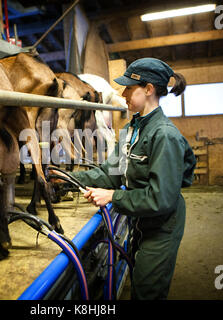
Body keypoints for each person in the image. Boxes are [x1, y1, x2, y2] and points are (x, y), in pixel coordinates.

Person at [53, 58, 196, 300]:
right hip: (140, 221)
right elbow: (111, 172)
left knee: (146, 291)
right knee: (137, 276)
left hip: (161, 226)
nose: (123, 93)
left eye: (129, 87)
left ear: (148, 89)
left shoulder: (164, 135)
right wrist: (67, 179)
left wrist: (113, 196)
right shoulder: (133, 129)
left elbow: (161, 198)